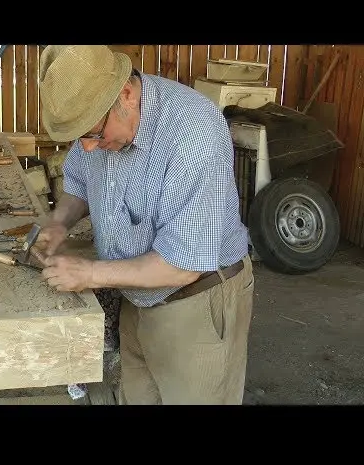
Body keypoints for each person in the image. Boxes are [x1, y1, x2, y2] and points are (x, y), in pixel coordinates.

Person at [34, 45, 255, 405]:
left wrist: (89, 273)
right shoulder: (100, 125)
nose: (87, 148)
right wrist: (60, 223)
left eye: (93, 134)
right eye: (80, 138)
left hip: (194, 304)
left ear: (125, 94)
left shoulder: (193, 133)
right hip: (136, 298)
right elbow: (79, 181)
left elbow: (182, 267)